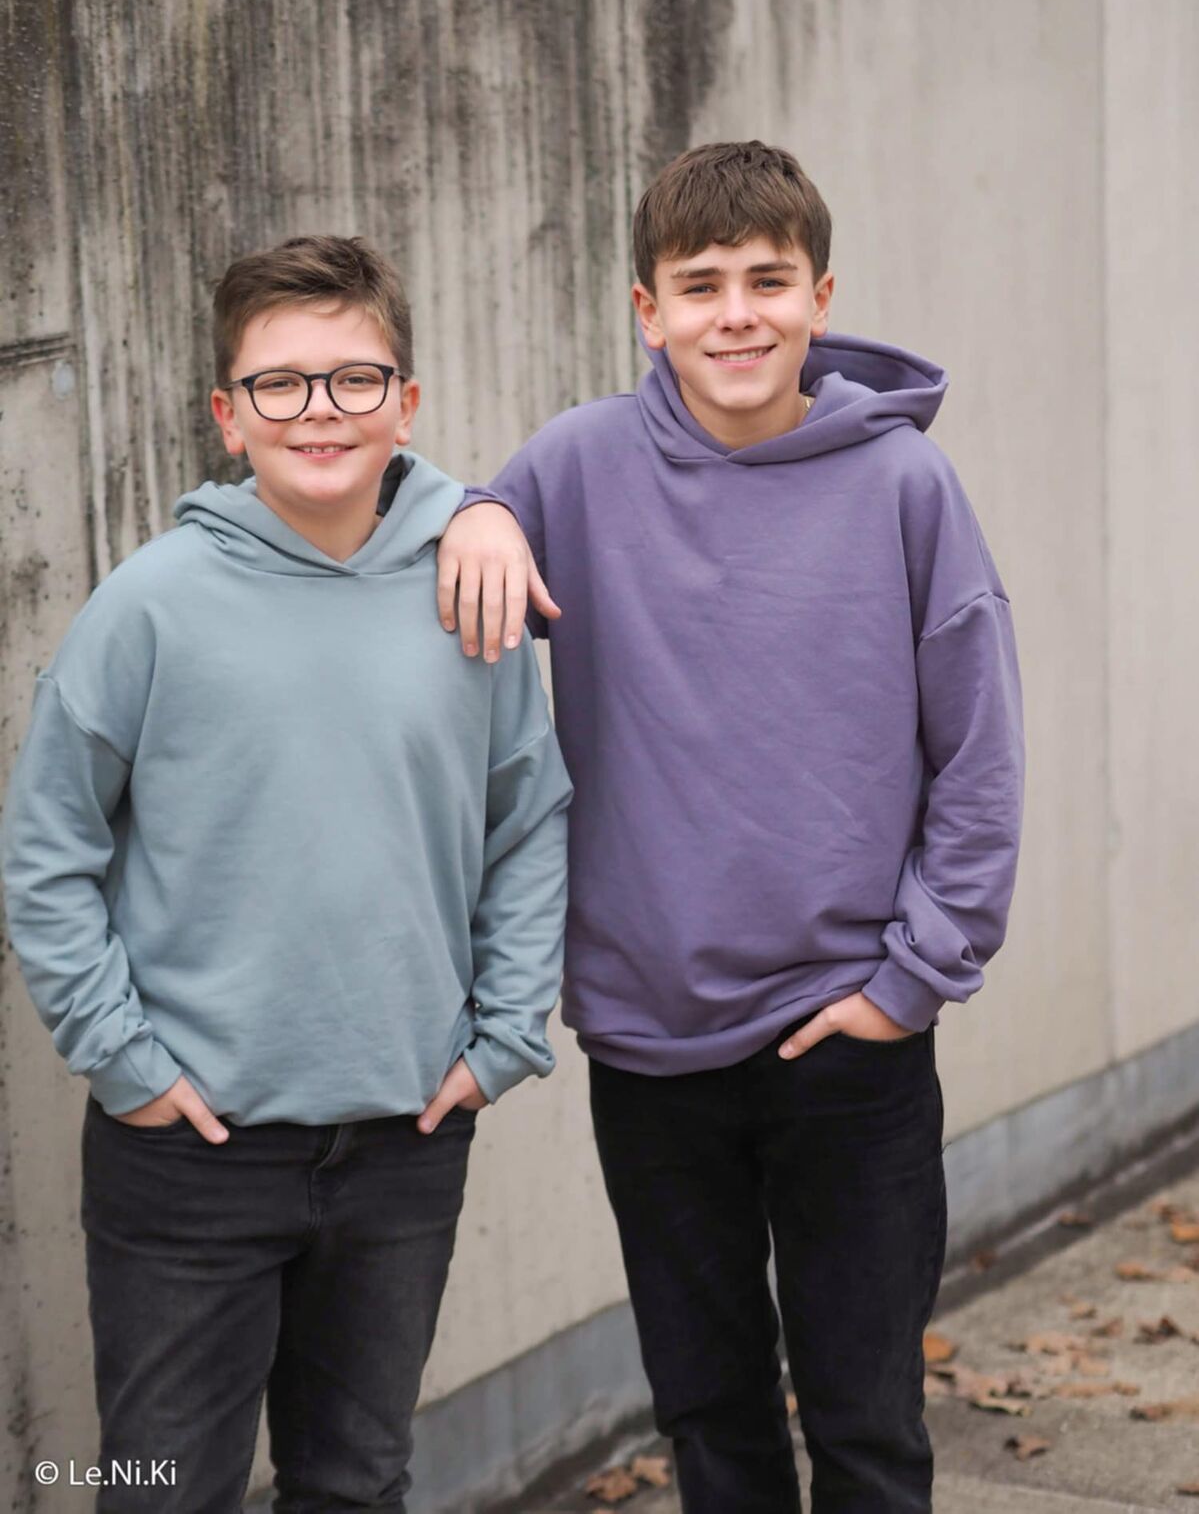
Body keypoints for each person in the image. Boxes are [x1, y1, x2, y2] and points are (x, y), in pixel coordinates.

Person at [436, 141, 1024, 1512]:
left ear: (820, 297)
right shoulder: (575, 465)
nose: (736, 313)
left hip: (848, 1034)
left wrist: (910, 981)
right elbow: (446, 526)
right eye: (698, 286)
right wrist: (472, 508)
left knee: (865, 1422)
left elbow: (978, 753)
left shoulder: (902, 484)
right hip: (650, 1042)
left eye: (767, 279)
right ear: (647, 311)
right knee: (710, 1421)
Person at [1, 235, 572, 1514]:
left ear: (404, 404)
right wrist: (124, 1061)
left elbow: (529, 820)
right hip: (188, 1150)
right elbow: (48, 848)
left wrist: (501, 1037)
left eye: (353, 378)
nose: (319, 409)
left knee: (356, 1483)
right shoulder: (148, 606)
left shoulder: (466, 595)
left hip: (403, 1141)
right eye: (280, 382)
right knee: (160, 1488)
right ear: (228, 413)